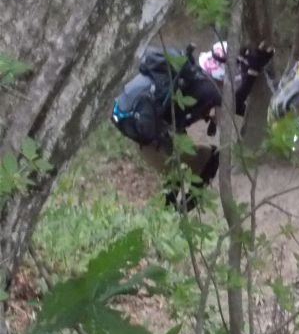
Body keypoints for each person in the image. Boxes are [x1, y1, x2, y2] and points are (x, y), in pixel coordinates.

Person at [114, 42, 273, 211]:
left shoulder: (194, 76)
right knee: (203, 161)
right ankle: (180, 211)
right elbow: (235, 103)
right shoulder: (207, 88)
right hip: (155, 142)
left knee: (185, 165)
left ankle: (173, 211)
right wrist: (253, 71)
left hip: (151, 134)